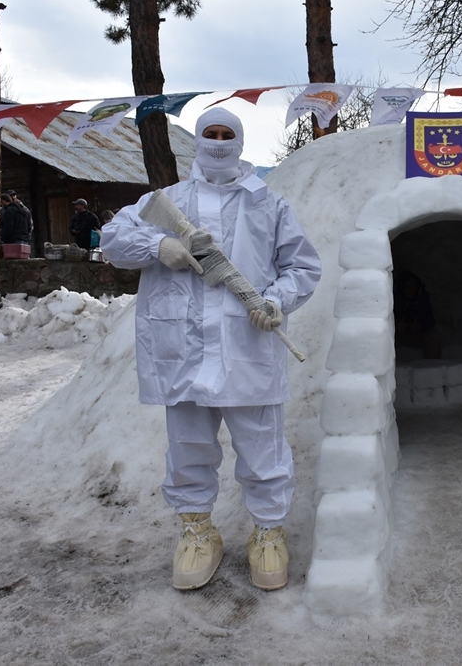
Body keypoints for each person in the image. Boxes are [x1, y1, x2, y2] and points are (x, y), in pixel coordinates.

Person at [100, 107, 321, 592]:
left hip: (247, 346)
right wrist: (159, 249)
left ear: (239, 142)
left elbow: (302, 267)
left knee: (262, 449)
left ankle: (267, 532)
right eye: (210, 134)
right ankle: (197, 530)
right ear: (198, 140)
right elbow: (114, 239)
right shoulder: (167, 202)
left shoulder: (270, 205)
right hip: (183, 349)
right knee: (189, 450)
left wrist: (275, 302)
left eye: (228, 135)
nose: (219, 142)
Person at [394, 270, 441, 358]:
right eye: (408, 287)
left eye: (414, 286)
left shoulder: (422, 299)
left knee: (434, 334)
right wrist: (395, 327)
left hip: (417, 336)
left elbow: (430, 321)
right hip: (398, 336)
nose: (412, 290)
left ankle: (431, 367)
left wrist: (420, 326)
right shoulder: (395, 301)